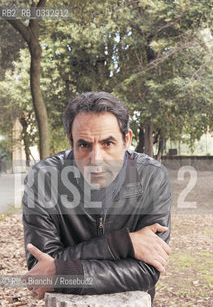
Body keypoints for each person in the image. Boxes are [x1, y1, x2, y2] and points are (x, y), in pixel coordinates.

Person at [22, 92, 172, 304]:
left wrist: (65, 272)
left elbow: (147, 270)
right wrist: (123, 244)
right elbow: (41, 270)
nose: (96, 159)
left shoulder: (152, 177)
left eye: (108, 143)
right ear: (71, 142)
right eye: (84, 145)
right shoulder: (43, 179)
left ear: (126, 140)